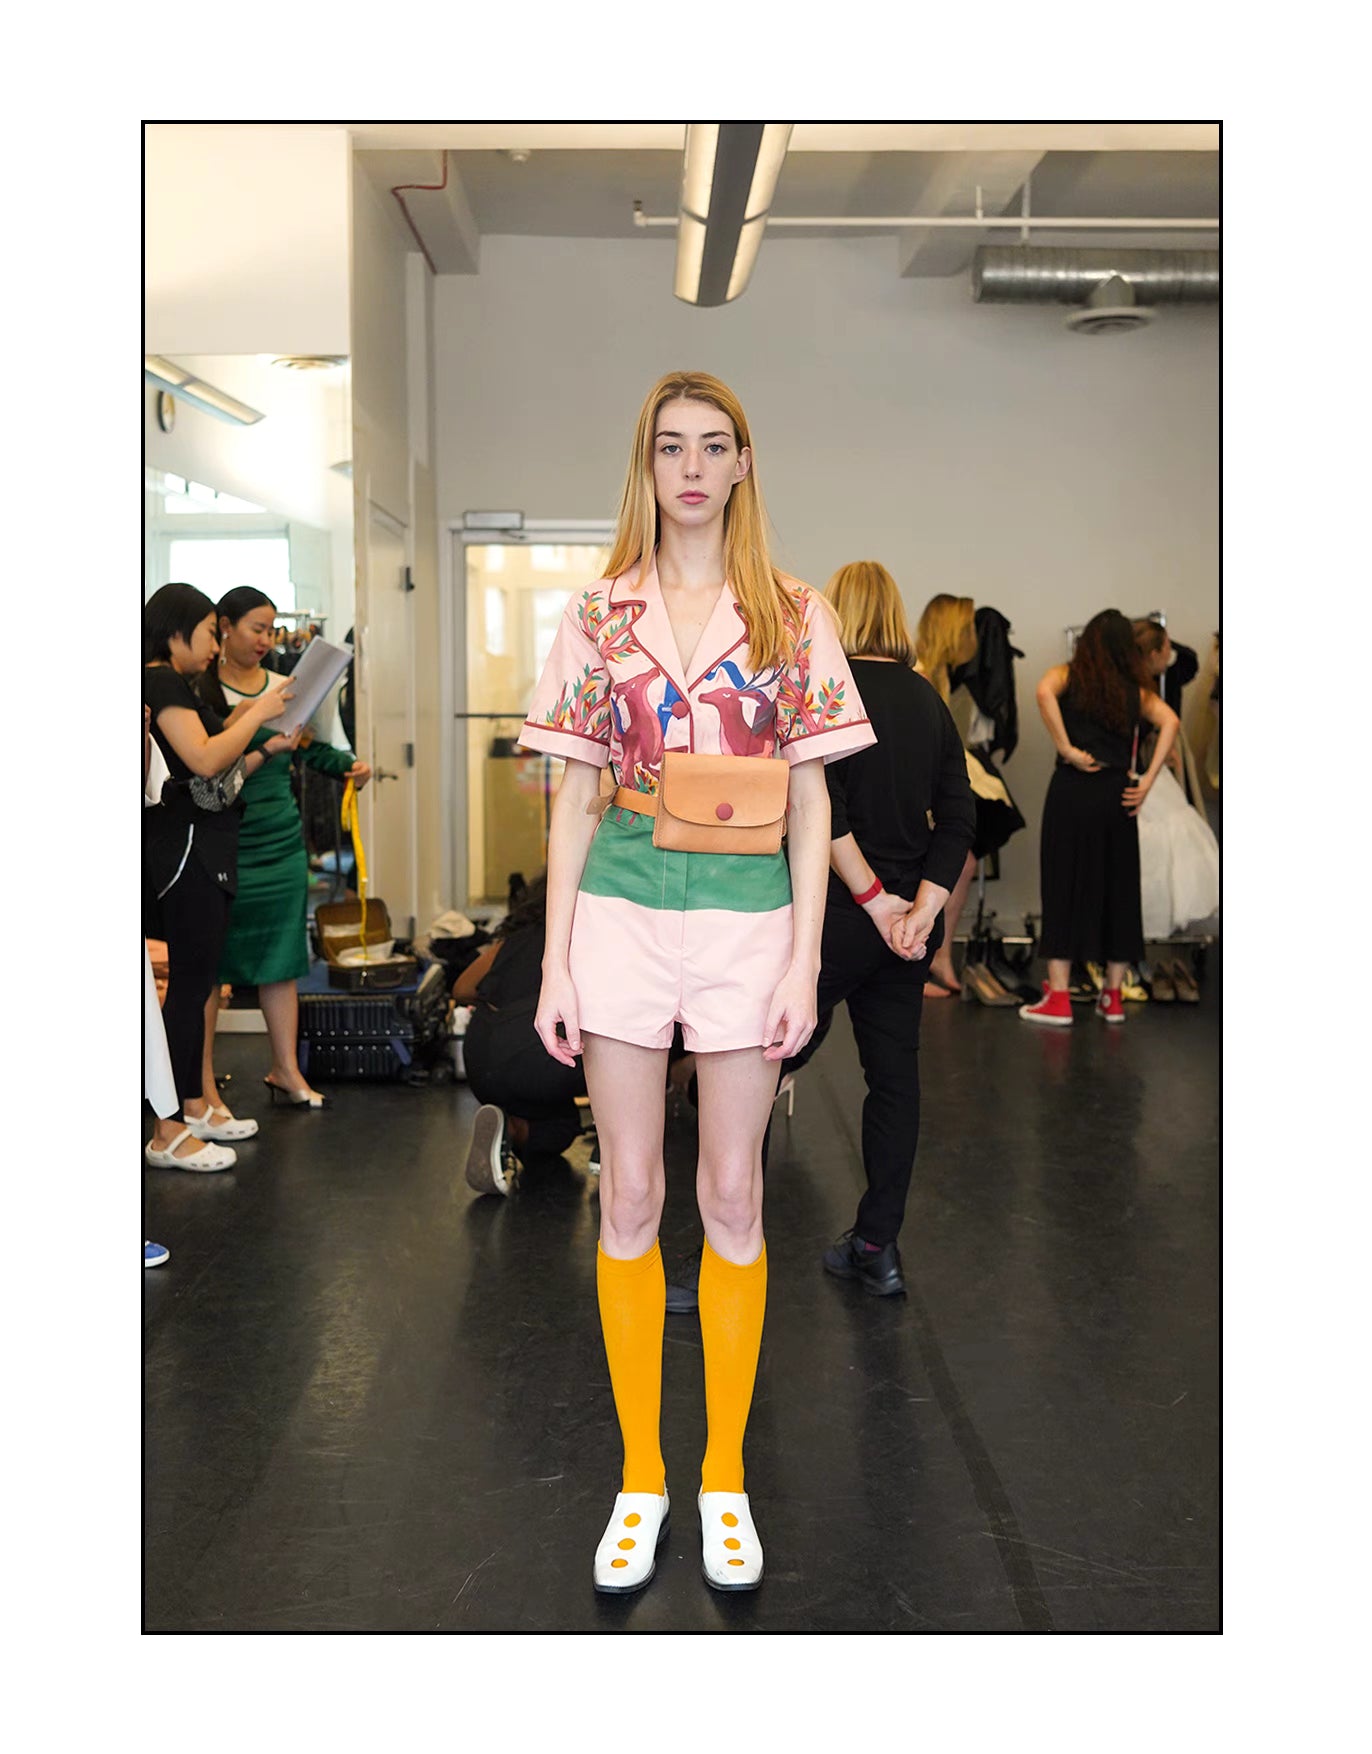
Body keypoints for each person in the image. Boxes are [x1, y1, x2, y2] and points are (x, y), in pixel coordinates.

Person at [518, 370, 874, 1595]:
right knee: (628, 1194)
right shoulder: (597, 613)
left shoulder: (793, 611)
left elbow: (814, 797)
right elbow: (571, 794)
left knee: (732, 1192)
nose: (690, 467)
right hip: (619, 912)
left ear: (741, 464)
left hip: (744, 920)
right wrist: (553, 960)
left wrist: (805, 957)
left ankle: (723, 1473)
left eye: (712, 446)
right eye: (670, 446)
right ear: (647, 463)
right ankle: (642, 1475)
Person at [799, 562, 976, 1293]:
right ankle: (878, 1246)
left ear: (839, 612)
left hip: (839, 917)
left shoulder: (831, 693)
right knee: (894, 1082)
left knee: (759, 1066)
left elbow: (826, 812)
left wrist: (875, 901)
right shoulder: (928, 700)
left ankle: (723, 1241)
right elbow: (959, 816)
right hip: (904, 929)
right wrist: (922, 912)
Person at [142, 584, 300, 1168]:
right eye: (209, 633)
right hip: (187, 851)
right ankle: (169, 1128)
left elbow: (221, 760)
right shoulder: (160, 682)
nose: (214, 646)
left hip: (204, 848)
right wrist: (258, 711)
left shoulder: (177, 686)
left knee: (197, 982)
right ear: (176, 630)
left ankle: (191, 1108)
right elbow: (206, 759)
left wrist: (266, 746)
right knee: (189, 989)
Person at [198, 588, 371, 1110]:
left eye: (271, 630)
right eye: (256, 628)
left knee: (282, 959)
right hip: (223, 839)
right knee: (207, 968)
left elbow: (310, 749)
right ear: (225, 627)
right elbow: (201, 760)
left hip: (280, 838)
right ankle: (199, 1085)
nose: (266, 640)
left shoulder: (285, 686)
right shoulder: (201, 690)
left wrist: (349, 766)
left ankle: (285, 1069)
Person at [1020, 609, 1179, 1026]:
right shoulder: (1135, 691)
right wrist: (1147, 779)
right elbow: (1171, 721)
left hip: (1072, 790)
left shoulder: (1068, 676)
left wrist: (1066, 748)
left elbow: (1042, 691)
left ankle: (1059, 998)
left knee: (1063, 885)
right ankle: (1112, 997)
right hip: (1117, 794)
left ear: (1086, 641)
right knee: (1119, 890)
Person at [455, 875, 588, 1195]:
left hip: (479, 1056)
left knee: (562, 1127)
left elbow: (461, 988)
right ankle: (614, 1147)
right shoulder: (588, 933)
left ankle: (511, 1128)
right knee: (626, 1047)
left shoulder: (517, 938)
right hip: (536, 1054)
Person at [1130, 619, 1219, 962]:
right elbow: (1167, 722)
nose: (1170, 654)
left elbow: (1189, 659)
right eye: (1165, 647)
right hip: (1143, 773)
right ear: (1153, 653)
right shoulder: (1138, 691)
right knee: (1159, 847)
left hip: (1149, 770)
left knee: (1164, 845)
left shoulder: (1147, 683)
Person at [911, 595, 979, 994]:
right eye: (968, 629)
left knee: (963, 863)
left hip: (926, 796)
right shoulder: (920, 680)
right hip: (916, 801)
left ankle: (937, 954)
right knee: (957, 863)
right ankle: (927, 958)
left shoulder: (940, 680)